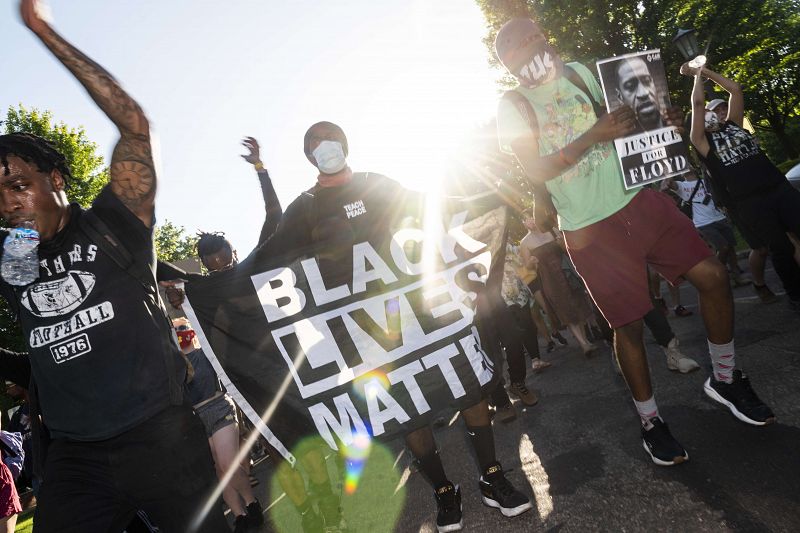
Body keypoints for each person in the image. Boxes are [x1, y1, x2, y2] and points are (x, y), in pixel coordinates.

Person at [494, 17, 775, 467]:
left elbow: (634, 124)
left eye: (534, 36)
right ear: (507, 62)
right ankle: (651, 423)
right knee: (629, 326)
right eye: (516, 45)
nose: (531, 46)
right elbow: (537, 170)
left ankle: (725, 378)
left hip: (639, 199)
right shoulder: (513, 106)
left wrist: (661, 122)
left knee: (713, 275)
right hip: (589, 227)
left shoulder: (583, 73)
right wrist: (593, 135)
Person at [0, 2, 229, 531]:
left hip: (161, 437)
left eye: (18, 185)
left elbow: (134, 125)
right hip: (76, 458)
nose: (10, 202)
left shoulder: (112, 223)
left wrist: (45, 33)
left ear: (56, 179)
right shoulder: (12, 258)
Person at [242, 121, 532, 532]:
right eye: (314, 145)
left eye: (331, 140)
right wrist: (209, 286)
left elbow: (430, 207)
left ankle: (492, 476)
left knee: (466, 384)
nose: (325, 148)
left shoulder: (376, 183)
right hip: (370, 330)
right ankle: (444, 491)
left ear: (344, 144)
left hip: (423, 307)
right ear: (309, 157)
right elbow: (268, 257)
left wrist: (486, 195)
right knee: (407, 410)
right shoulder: (305, 208)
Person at [685, 63, 800, 313]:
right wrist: (695, 78)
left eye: (711, 112)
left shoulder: (734, 125)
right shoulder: (702, 143)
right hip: (751, 202)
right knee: (781, 248)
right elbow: (696, 105)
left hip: (779, 188)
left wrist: (704, 71)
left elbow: (735, 90)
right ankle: (795, 295)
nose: (710, 114)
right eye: (705, 114)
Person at [173, 318, 264, 533]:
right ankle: (239, 514)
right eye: (176, 331)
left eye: (183, 329)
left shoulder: (206, 352)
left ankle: (251, 503)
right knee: (218, 470)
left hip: (219, 408)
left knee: (227, 463)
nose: (181, 334)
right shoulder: (174, 364)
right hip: (196, 419)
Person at [518, 214, 596, 355]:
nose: (530, 220)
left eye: (531, 216)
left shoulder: (552, 231)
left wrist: (561, 242)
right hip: (549, 279)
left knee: (578, 306)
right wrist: (531, 262)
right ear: (523, 223)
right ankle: (583, 344)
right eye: (526, 219)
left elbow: (568, 248)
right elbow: (527, 267)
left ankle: (585, 341)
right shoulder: (525, 243)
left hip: (566, 273)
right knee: (564, 309)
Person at [667, 169, 751, 286]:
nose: (687, 166)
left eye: (689, 164)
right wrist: (668, 168)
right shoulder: (681, 186)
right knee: (723, 247)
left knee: (731, 248)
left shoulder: (706, 181)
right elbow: (669, 183)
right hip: (704, 223)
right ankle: (717, 273)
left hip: (720, 218)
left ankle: (736, 276)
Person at [614, 56, 664, 131]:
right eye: (630, 86)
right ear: (620, 97)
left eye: (647, 81)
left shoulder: (675, 125)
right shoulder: (620, 140)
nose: (643, 93)